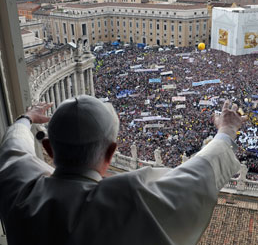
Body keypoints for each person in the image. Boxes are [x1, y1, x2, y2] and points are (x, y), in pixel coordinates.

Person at [0, 95, 247, 245]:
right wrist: (226, 130)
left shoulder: (19, 189)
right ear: (111, 152)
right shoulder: (131, 199)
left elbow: (14, 145)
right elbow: (198, 172)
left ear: (48, 148)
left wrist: (27, 118)